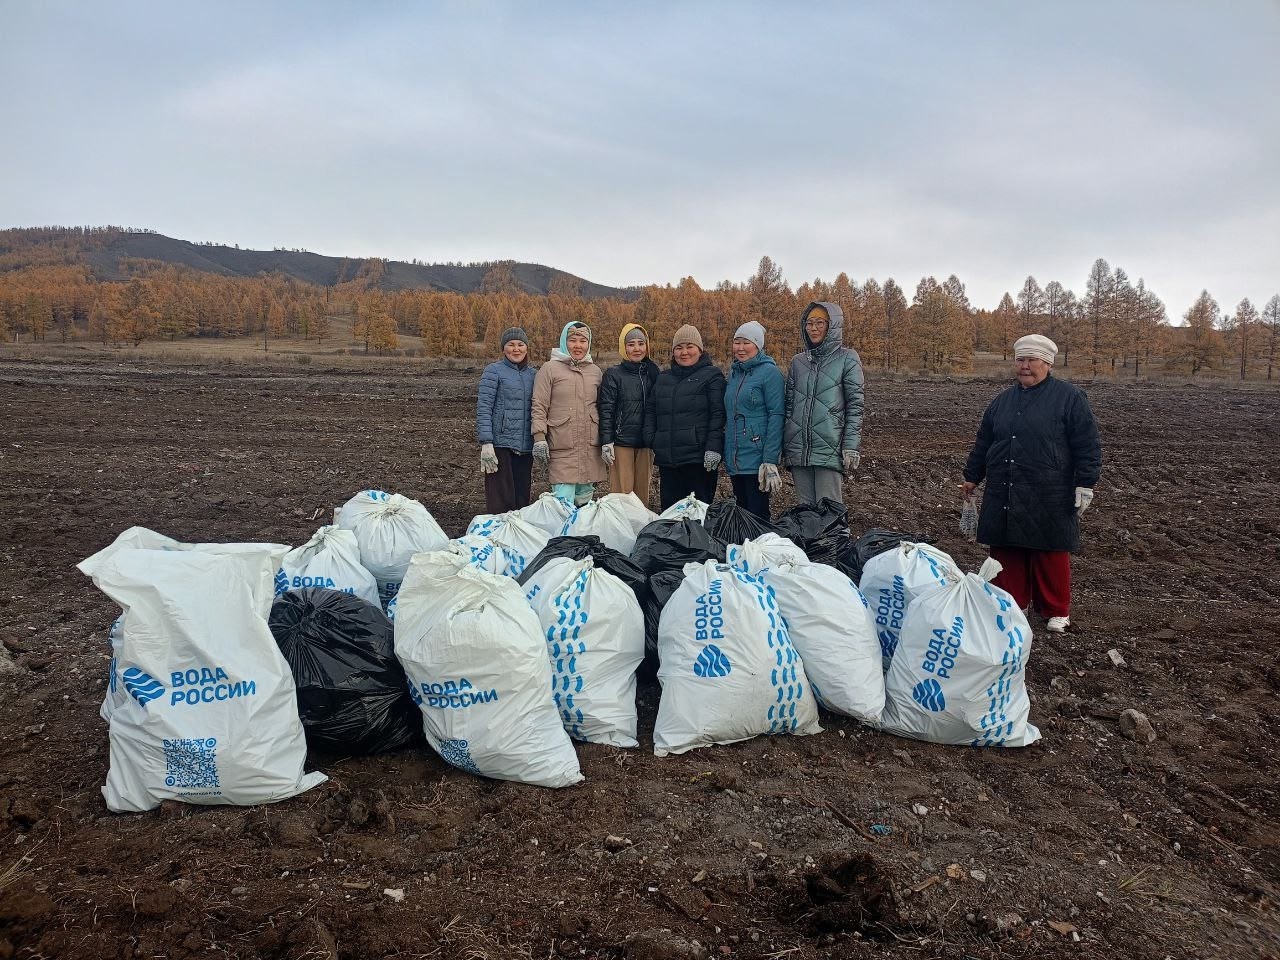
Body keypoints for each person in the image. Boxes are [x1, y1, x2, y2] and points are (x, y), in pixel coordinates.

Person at [962, 334, 1102, 633]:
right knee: (1007, 548)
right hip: (1005, 485)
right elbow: (985, 441)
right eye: (1020, 359)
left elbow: (1086, 444)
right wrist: (973, 476)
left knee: (1049, 549)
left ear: (1047, 363)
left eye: (1032, 360)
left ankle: (1055, 610)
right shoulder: (1002, 401)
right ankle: (1012, 604)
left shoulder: (1069, 398)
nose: (1025, 366)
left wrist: (1085, 482)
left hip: (1049, 488)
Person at [783, 302, 864, 505]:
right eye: (809, 323)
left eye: (820, 322)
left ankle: (836, 538)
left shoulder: (847, 358)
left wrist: (851, 445)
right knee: (806, 512)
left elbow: (855, 406)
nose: (814, 328)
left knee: (829, 511)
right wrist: (783, 445)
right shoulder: (798, 362)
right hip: (799, 449)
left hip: (830, 447)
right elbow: (789, 408)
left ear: (832, 325)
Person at [531, 320, 606, 507]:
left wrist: (607, 439)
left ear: (589, 344)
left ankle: (581, 536)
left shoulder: (595, 372)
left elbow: (604, 408)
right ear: (564, 341)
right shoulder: (549, 369)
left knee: (585, 505)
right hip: (562, 446)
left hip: (590, 448)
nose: (578, 345)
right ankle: (564, 536)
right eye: (573, 340)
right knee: (562, 505)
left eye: (583, 341)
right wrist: (539, 438)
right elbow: (539, 405)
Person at [652, 324, 725, 510]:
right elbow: (651, 411)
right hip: (669, 461)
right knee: (670, 513)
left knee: (697, 512)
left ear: (699, 350)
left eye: (689, 346)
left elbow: (718, 415)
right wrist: (653, 440)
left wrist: (714, 448)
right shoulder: (663, 378)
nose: (684, 352)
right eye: (679, 347)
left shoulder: (712, 376)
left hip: (698, 461)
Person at [723, 320, 784, 521]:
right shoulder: (734, 373)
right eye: (737, 342)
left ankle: (760, 550)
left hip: (757, 457)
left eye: (746, 342)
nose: (740, 348)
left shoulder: (770, 373)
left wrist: (770, 459)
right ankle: (744, 551)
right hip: (735, 456)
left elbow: (777, 415)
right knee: (741, 511)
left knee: (757, 514)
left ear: (758, 345)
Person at [476, 327, 537, 513]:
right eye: (511, 344)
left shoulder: (534, 375)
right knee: (501, 500)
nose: (516, 349)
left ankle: (517, 536)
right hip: (500, 446)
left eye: (520, 344)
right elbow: (484, 407)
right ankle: (497, 535)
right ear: (504, 348)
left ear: (527, 348)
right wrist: (486, 442)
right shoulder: (493, 371)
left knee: (521, 500)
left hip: (525, 447)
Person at [598, 322, 659, 505]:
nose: (637, 348)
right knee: (622, 495)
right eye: (631, 344)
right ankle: (619, 531)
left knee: (641, 497)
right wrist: (606, 441)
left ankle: (641, 531)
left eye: (641, 344)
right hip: (621, 442)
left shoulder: (653, 373)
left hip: (646, 443)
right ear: (624, 347)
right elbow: (606, 408)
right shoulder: (614, 374)